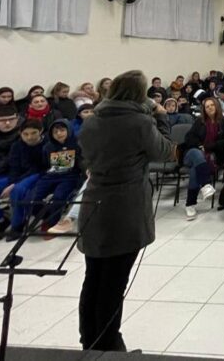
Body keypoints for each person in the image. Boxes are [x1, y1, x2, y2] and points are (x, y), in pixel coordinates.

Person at [77, 70, 173, 351]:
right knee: (113, 282)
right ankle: (108, 345)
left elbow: (89, 157)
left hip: (94, 203)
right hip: (124, 209)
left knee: (93, 277)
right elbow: (165, 151)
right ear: (138, 94)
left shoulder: (92, 120)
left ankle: (89, 341)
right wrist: (162, 116)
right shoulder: (140, 122)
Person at [6, 120, 85, 241]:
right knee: (30, 199)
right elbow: (45, 164)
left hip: (69, 177)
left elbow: (82, 162)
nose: (59, 134)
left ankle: (52, 223)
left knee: (58, 197)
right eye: (55, 131)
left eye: (62, 130)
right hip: (49, 176)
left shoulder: (77, 144)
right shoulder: (48, 147)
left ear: (68, 130)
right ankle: (46, 216)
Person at [181, 97, 224, 220]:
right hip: (192, 154)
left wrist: (210, 146)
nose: (210, 108)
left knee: (196, 169)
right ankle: (205, 183)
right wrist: (200, 146)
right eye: (207, 106)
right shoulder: (199, 121)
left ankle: (190, 204)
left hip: (212, 155)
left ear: (217, 106)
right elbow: (189, 137)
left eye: (212, 105)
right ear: (204, 110)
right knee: (197, 154)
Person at [0, 118, 46, 238]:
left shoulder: (46, 144)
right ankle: (0, 220)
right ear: (20, 133)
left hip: (38, 174)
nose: (29, 137)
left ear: (41, 131)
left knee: (18, 190)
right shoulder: (17, 145)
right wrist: (11, 182)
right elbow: (14, 166)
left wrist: (14, 184)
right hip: (18, 175)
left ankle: (17, 225)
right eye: (26, 134)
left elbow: (37, 168)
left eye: (33, 133)